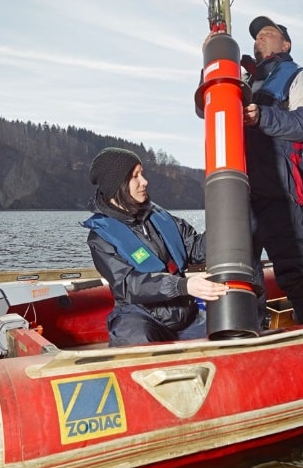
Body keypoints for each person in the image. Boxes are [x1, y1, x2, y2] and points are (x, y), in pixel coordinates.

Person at [82, 147, 228, 346]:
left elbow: (195, 248)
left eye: (142, 174)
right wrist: (182, 285)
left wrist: (227, 226)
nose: (144, 181)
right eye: (136, 176)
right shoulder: (100, 238)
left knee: (226, 334)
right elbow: (128, 284)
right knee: (132, 335)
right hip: (140, 315)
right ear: (118, 185)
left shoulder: (161, 218)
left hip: (184, 315)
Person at [239, 16, 303, 325]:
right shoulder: (242, 81)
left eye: (268, 34)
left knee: (296, 275)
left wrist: (261, 116)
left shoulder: (298, 77)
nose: (259, 39)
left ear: (285, 44)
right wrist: (211, 60)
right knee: (243, 278)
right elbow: (205, 108)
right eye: (256, 36)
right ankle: (255, 338)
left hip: (279, 194)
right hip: (240, 195)